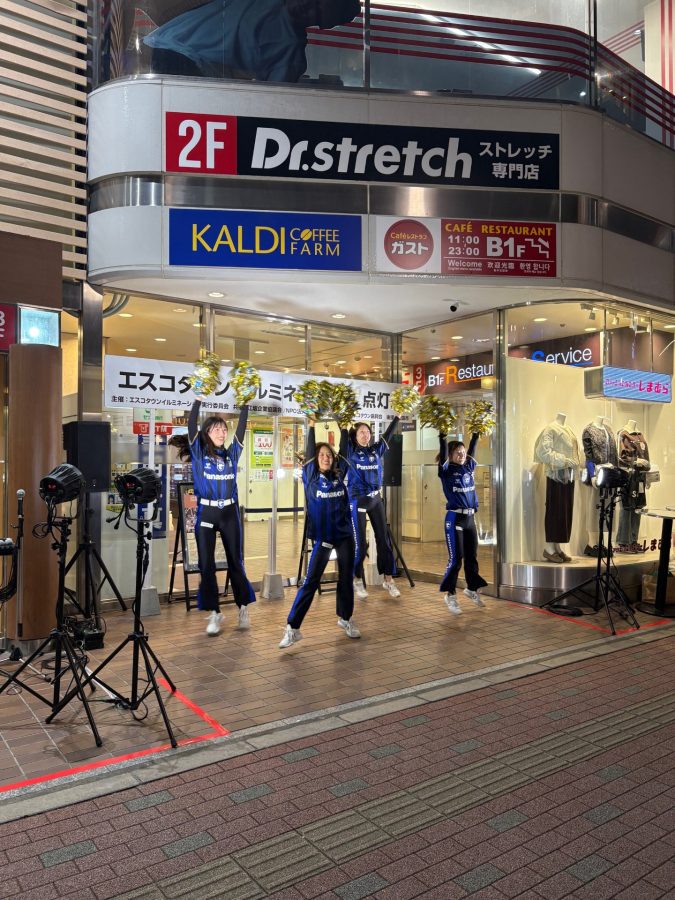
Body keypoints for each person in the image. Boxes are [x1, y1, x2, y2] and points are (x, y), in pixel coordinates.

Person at [170, 397, 255, 635]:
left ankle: (243, 607)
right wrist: (197, 401)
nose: (221, 432)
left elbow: (241, 430)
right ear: (207, 433)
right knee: (206, 564)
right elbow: (191, 426)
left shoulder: (232, 454)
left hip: (229, 513)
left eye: (223, 429)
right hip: (207, 513)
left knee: (236, 561)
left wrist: (245, 405)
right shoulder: (199, 452)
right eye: (216, 429)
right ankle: (215, 612)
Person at [280, 418, 360, 648]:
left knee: (346, 578)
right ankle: (293, 628)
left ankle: (345, 618)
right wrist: (312, 426)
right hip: (323, 538)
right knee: (310, 581)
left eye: (329, 455)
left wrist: (344, 427)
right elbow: (309, 450)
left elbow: (344, 449)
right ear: (315, 459)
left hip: (345, 537)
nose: (326, 458)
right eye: (322, 455)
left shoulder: (339, 474)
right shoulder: (310, 476)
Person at [340, 418, 401, 599]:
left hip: (375, 499)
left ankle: (388, 580)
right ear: (355, 435)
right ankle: (357, 579)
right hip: (357, 500)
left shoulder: (375, 449)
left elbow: (388, 435)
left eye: (367, 432)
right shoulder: (350, 451)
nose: (365, 434)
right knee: (360, 544)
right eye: (361, 432)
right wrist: (342, 424)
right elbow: (344, 437)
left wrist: (397, 417)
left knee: (384, 540)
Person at [438, 432, 488, 615]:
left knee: (471, 557)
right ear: (450, 455)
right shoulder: (446, 470)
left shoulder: (468, 467)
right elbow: (443, 453)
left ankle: (471, 589)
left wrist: (476, 433)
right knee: (456, 559)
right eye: (457, 452)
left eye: (463, 452)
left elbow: (473, 448)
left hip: (470, 519)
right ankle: (450, 595)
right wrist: (442, 437)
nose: (462, 455)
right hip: (455, 519)